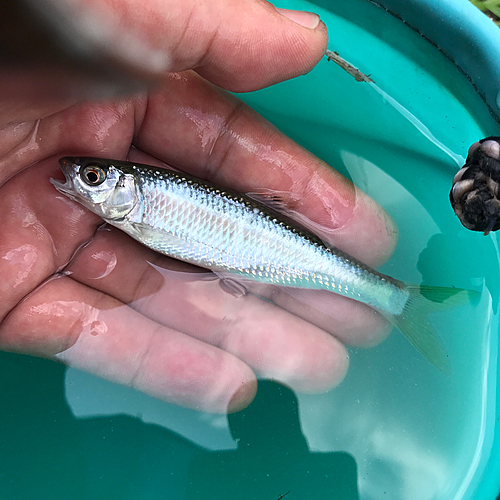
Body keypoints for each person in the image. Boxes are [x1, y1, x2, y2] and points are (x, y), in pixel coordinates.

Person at [0, 0, 397, 413]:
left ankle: (389, 297)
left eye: (93, 178)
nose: (84, 181)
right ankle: (389, 298)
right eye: (92, 178)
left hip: (272, 249)